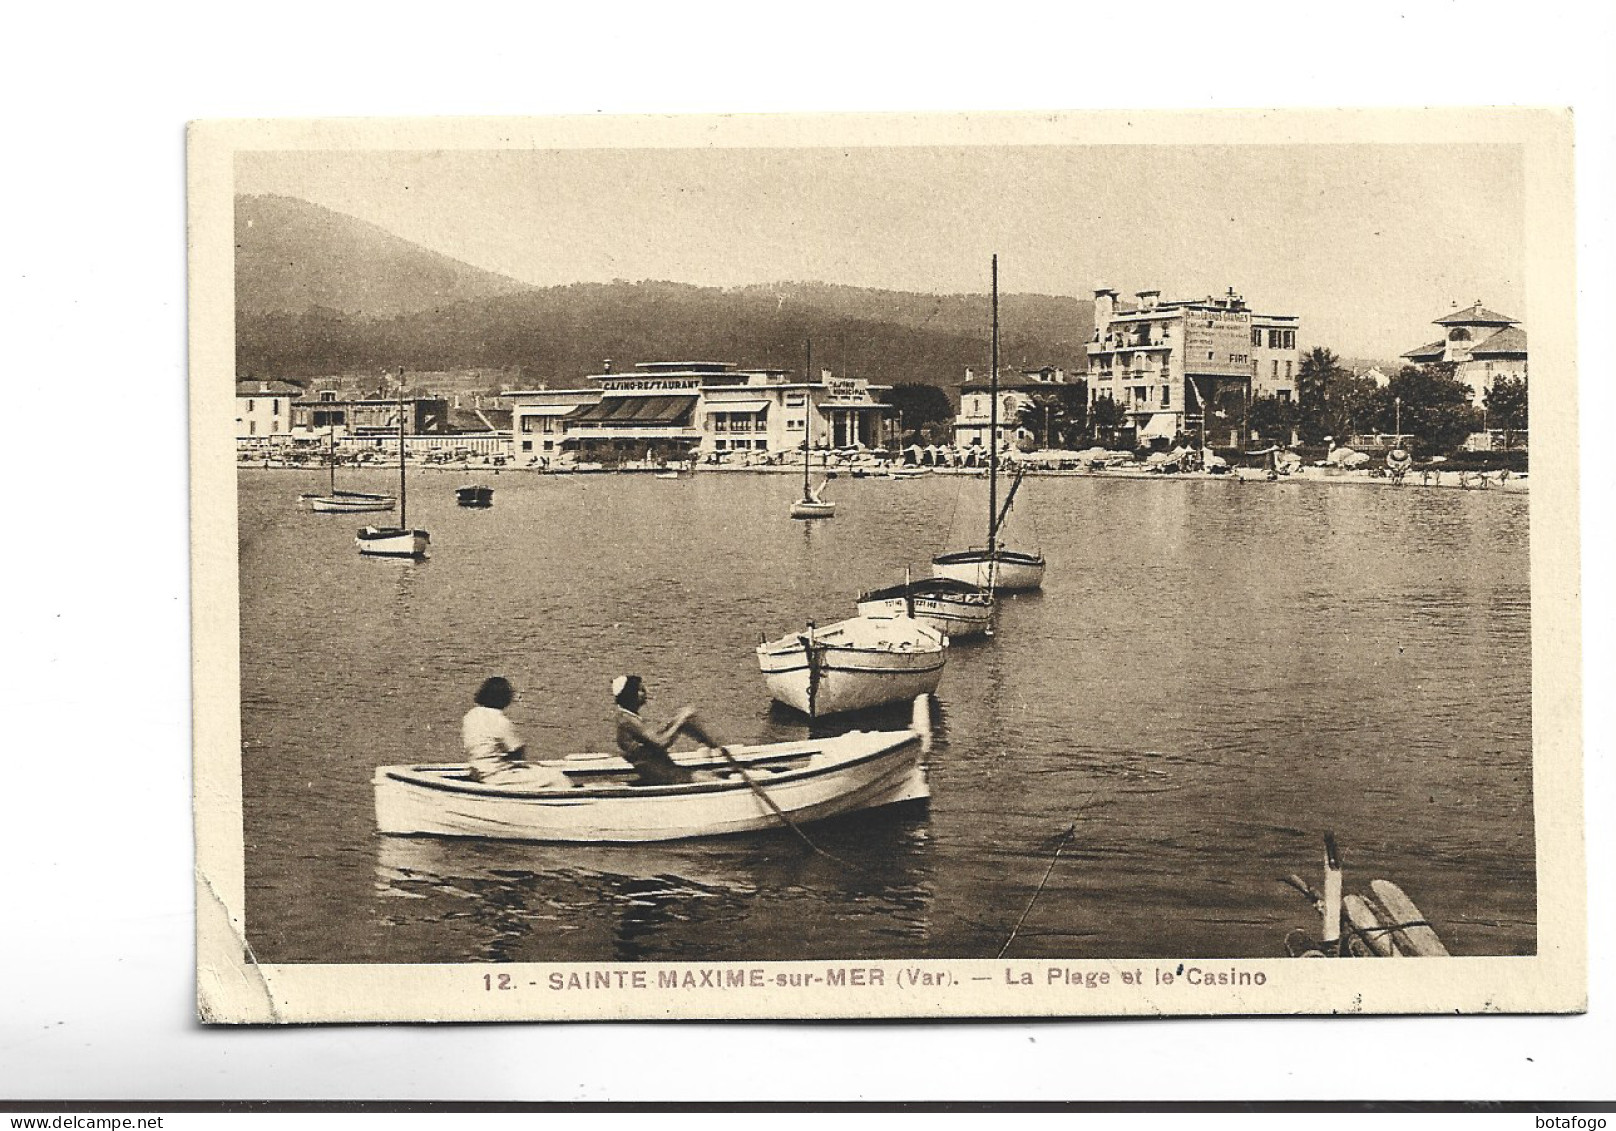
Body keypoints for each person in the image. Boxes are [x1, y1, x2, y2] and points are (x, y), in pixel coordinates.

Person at [612, 675, 727, 786]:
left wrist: (679, 722)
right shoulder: (627, 720)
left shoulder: (629, 716)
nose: (645, 692)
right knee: (711, 778)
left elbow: (655, 738)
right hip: (660, 774)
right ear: (630, 695)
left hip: (661, 770)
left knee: (709, 774)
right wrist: (681, 721)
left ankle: (713, 745)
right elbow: (660, 742)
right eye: (641, 690)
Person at [462, 676, 571, 789]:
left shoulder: (471, 715)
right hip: (497, 776)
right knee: (558, 778)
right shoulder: (500, 721)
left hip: (477, 771)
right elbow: (518, 754)